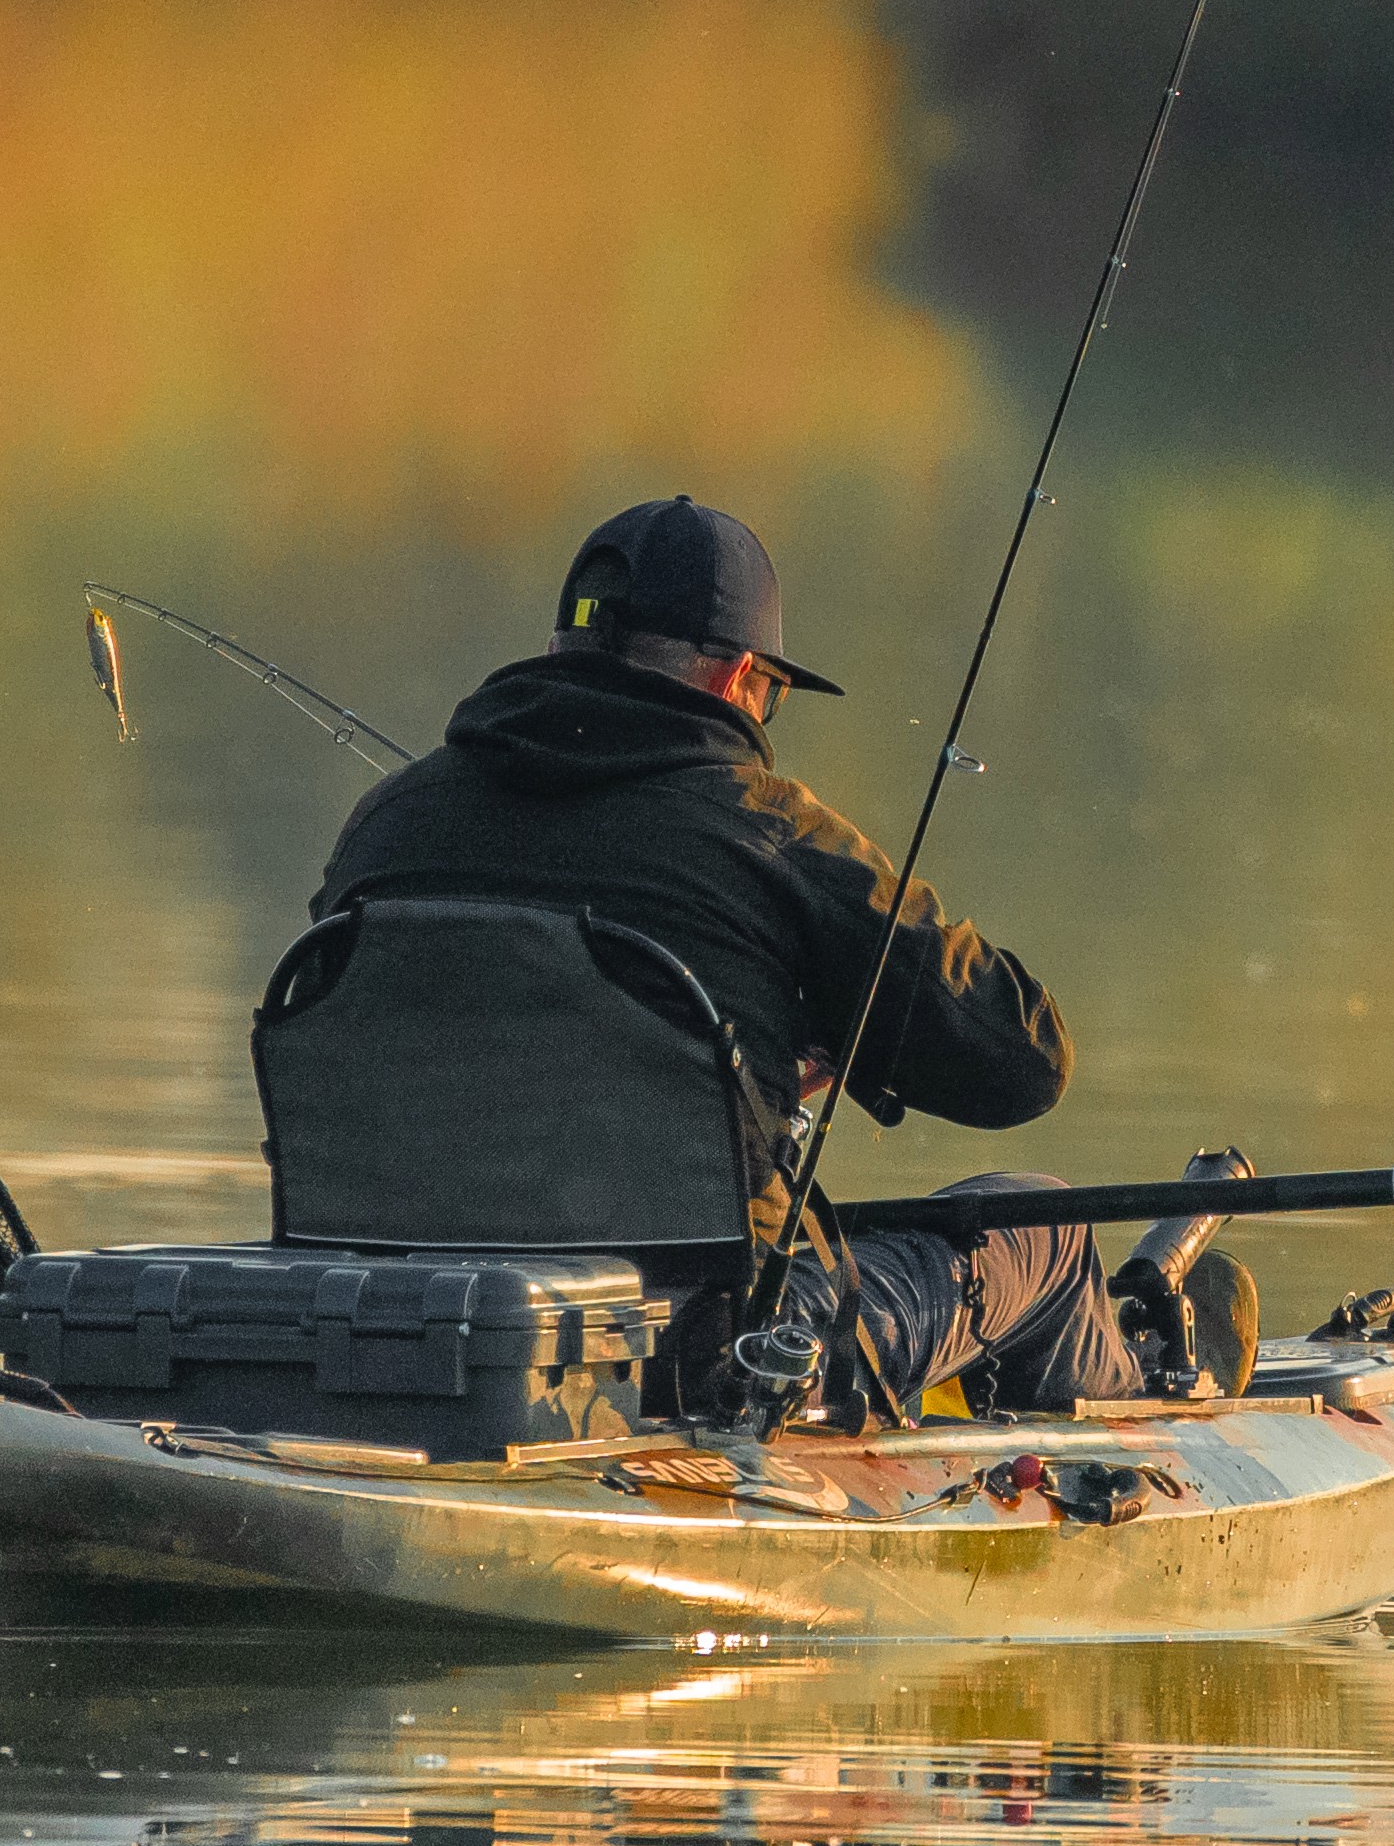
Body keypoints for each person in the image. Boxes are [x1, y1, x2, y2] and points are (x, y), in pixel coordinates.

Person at [297, 491, 1240, 1418]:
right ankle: (1155, 1388)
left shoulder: (385, 821)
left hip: (385, 1325)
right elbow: (1024, 1060)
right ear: (735, 675)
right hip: (722, 1358)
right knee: (1041, 1224)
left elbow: (453, 1057)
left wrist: (754, 1069)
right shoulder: (772, 834)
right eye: (772, 694)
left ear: (558, 647)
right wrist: (837, 1020)